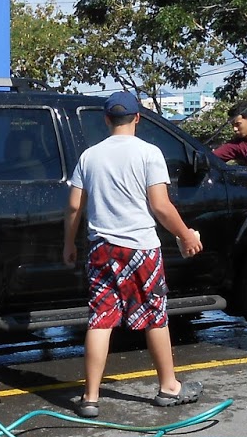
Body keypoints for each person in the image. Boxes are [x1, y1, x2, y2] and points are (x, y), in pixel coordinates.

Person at [62, 91, 205, 418]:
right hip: (141, 249)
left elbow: (73, 206)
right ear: (137, 117)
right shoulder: (149, 153)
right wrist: (185, 235)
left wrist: (69, 243)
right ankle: (169, 387)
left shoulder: (90, 157)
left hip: (101, 248)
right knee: (155, 315)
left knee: (101, 319)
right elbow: (160, 205)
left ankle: (90, 397)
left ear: (106, 120)